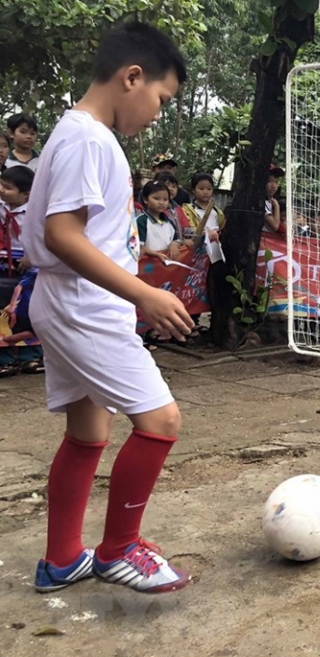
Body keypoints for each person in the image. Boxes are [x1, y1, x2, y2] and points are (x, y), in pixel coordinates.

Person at [20, 21, 194, 593]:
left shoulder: (79, 136)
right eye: (161, 100)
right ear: (132, 77)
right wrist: (144, 293)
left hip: (72, 302)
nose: (158, 113)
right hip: (82, 306)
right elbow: (64, 235)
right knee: (161, 420)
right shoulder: (90, 139)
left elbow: (82, 234)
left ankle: (62, 559)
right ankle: (119, 548)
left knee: (87, 435)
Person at [136, 180, 182, 261]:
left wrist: (174, 244)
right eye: (156, 198)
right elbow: (139, 246)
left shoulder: (169, 221)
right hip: (148, 266)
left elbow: (177, 239)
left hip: (166, 265)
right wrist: (156, 254)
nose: (161, 202)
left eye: (165, 199)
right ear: (145, 199)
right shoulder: (141, 221)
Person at [0, 165, 33, 277]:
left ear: (26, 194)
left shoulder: (34, 212)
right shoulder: (1, 205)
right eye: (1, 184)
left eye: (7, 188)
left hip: (24, 257)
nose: (1, 189)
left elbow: (41, 237)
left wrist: (32, 256)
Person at [263, 164, 283, 233]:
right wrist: (277, 206)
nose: (273, 186)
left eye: (276, 182)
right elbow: (275, 226)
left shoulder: (270, 200)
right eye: (269, 181)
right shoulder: (260, 202)